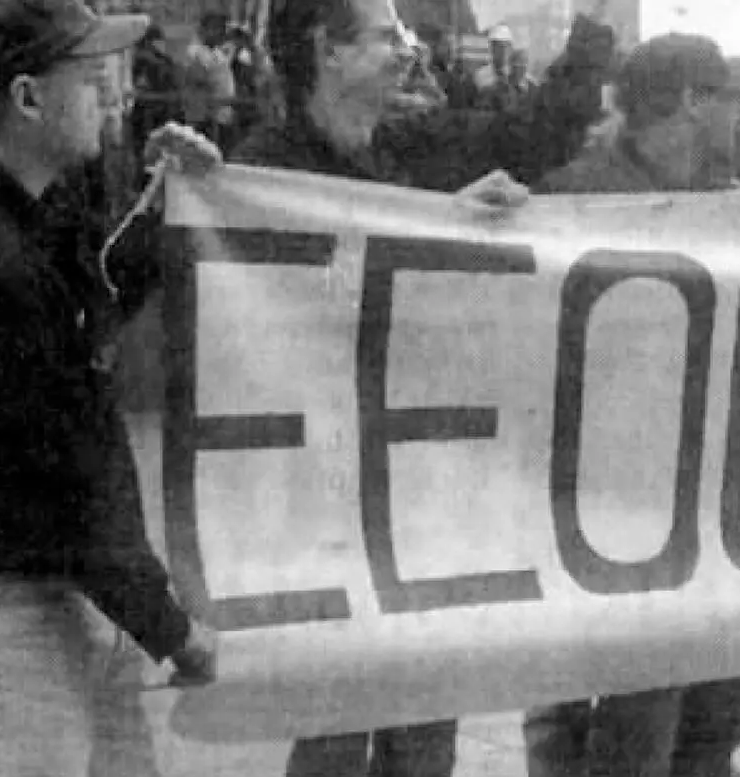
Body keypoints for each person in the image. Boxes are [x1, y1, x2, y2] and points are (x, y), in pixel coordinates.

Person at [245, 1, 613, 774]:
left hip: (423, 491)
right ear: (327, 51)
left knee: (425, 726)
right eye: (386, 36)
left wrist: (590, 29)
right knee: (337, 727)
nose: (406, 51)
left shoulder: (408, 147)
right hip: (324, 499)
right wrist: (429, 229)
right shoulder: (261, 169)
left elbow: (535, 132)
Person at [518, 33, 740, 777]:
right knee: (623, 714)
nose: (737, 117)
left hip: (712, 504)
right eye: (728, 99)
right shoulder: (571, 195)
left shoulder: (736, 202)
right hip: (609, 507)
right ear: (693, 101)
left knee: (718, 710)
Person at [0, 1, 226, 773]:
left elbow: (97, 294)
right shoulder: (2, 266)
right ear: (27, 98)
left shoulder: (37, 211)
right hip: (18, 616)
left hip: (72, 598)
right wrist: (173, 629)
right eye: (89, 78)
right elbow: (68, 476)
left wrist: (167, 196)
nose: (113, 93)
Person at [180, 11, 238, 147]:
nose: (220, 32)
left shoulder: (219, 52)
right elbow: (197, 78)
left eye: (222, 28)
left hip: (224, 115)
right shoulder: (195, 52)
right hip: (205, 117)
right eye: (215, 28)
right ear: (204, 29)